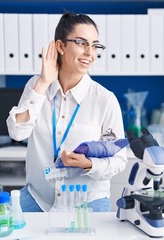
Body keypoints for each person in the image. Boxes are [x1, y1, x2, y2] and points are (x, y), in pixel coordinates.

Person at [7, 12, 127, 212]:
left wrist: (89, 164)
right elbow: (17, 133)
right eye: (81, 43)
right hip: (39, 197)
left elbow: (119, 159)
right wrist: (43, 82)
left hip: (87, 198)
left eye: (95, 45)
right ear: (60, 46)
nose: (90, 52)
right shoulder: (36, 85)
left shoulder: (105, 99)